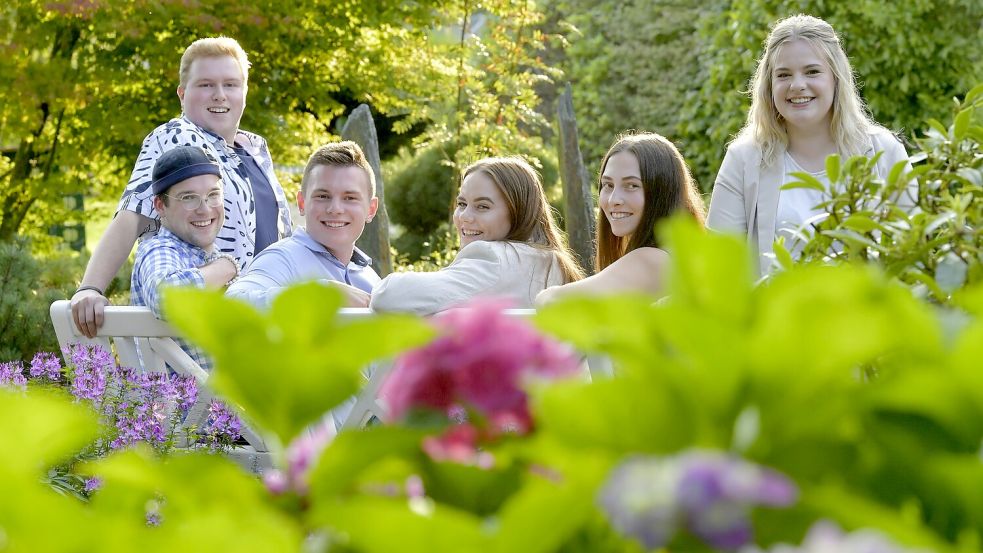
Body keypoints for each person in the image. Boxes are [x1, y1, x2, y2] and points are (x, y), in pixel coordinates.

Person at [71, 36, 292, 337]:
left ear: (244, 91)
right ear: (182, 93)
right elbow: (134, 215)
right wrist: (90, 287)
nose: (219, 95)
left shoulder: (255, 150)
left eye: (230, 84)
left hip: (272, 322)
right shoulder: (175, 136)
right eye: (205, 85)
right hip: (211, 331)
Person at [706, 14, 911, 276]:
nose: (797, 85)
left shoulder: (884, 152)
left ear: (836, 78)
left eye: (812, 71)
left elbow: (911, 256)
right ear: (769, 86)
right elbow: (720, 267)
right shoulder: (744, 159)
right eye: (783, 75)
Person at [370, 156, 584, 316]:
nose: (465, 217)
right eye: (462, 204)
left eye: (482, 206)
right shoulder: (556, 263)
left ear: (518, 211)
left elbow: (388, 296)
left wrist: (367, 294)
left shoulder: (492, 257)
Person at [536, 132, 706, 305]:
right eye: (608, 185)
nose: (613, 200)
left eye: (631, 185)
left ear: (663, 192)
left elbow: (552, 302)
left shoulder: (651, 260)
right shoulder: (680, 254)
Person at [227, 142, 381, 307]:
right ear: (302, 203)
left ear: (371, 209)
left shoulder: (371, 279)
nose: (335, 209)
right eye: (323, 196)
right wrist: (322, 293)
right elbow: (232, 304)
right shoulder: (282, 258)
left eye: (350, 198)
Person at [131, 146, 239, 370]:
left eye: (213, 195)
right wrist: (227, 267)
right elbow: (166, 297)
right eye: (189, 198)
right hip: (193, 403)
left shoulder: (209, 255)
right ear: (160, 205)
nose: (204, 209)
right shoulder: (160, 250)